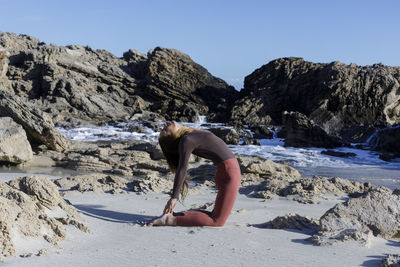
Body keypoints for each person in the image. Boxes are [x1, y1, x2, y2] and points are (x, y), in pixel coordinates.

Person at [148, 121, 242, 226]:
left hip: (227, 171)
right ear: (173, 137)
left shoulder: (189, 136)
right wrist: (174, 197)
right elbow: (182, 168)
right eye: (164, 130)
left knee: (216, 216)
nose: (165, 124)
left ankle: (172, 216)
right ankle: (169, 220)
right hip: (230, 173)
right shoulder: (187, 139)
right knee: (217, 221)